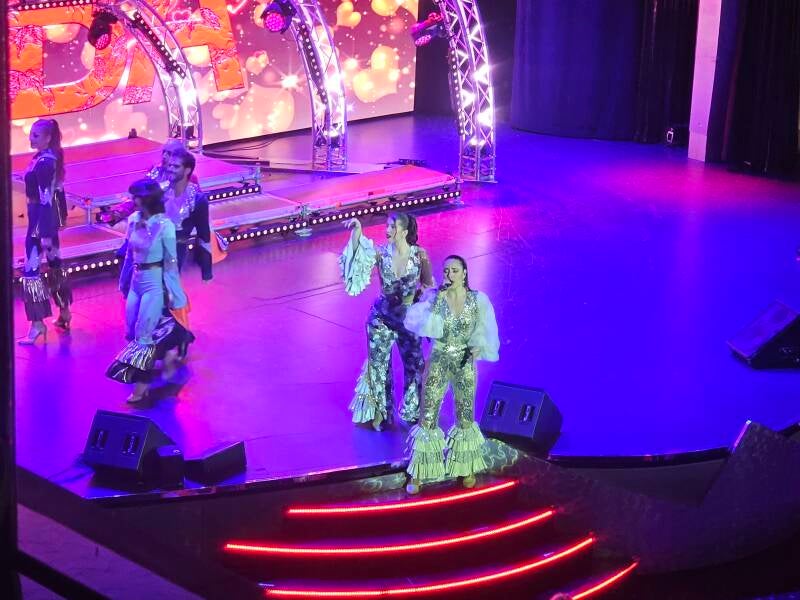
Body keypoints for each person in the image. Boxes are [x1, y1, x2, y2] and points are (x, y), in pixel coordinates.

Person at [403, 255, 499, 494]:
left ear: (464, 273)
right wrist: (437, 301)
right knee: (428, 413)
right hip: (439, 358)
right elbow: (425, 327)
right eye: (446, 270)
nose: (449, 274)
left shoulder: (478, 299)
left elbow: (484, 329)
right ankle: (419, 473)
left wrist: (478, 346)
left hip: (464, 362)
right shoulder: (434, 297)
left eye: (454, 270)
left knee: (466, 414)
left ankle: (465, 468)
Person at [340, 212, 434, 430]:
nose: (387, 230)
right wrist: (357, 232)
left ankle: (411, 410)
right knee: (378, 367)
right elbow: (358, 257)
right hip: (381, 319)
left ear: (404, 231)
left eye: (392, 227)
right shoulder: (381, 253)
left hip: (408, 321)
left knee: (415, 365)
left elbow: (428, 284)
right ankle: (381, 413)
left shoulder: (419, 255)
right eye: (387, 226)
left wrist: (422, 304)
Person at [106, 179, 189, 403]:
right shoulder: (133, 220)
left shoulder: (165, 226)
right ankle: (169, 351)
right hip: (136, 280)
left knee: (143, 335)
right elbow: (129, 254)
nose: (132, 200)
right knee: (131, 331)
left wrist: (175, 294)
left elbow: (171, 262)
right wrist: (123, 282)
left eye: (136, 197)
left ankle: (141, 388)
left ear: (146, 199)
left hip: (153, 283)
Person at [18, 119, 72, 344]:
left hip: (40, 223)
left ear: (48, 138)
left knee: (31, 272)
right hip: (45, 223)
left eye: (36, 135)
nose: (31, 138)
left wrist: (39, 231)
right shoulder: (47, 158)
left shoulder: (44, 163)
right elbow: (56, 192)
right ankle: (64, 311)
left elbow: (45, 198)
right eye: (31, 134)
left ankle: (37, 324)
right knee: (55, 266)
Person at [163, 148, 213, 281]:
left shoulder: (197, 200)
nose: (170, 169)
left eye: (176, 166)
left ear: (187, 170)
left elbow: (203, 235)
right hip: (148, 254)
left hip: (174, 253)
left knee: (167, 288)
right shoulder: (158, 191)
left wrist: (207, 271)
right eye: (170, 165)